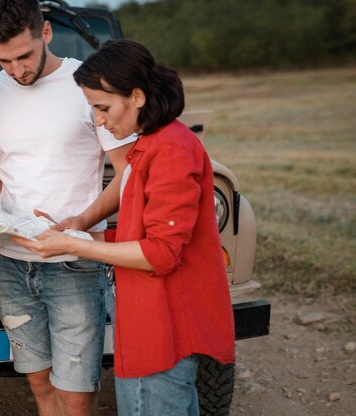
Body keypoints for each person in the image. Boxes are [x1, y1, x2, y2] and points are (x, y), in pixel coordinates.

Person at [0, 1, 134, 414]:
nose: (17, 69)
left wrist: (80, 222)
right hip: (13, 263)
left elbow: (129, 172)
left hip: (74, 260)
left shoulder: (87, 84)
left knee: (76, 392)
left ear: (47, 33)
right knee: (38, 382)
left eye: (25, 56)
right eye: (4, 60)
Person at [13, 39, 236, 416]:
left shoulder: (171, 151)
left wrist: (77, 246)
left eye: (103, 108)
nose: (99, 120)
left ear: (136, 96)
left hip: (164, 330)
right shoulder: (150, 145)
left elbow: (160, 253)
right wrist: (76, 234)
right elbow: (139, 237)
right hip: (146, 323)